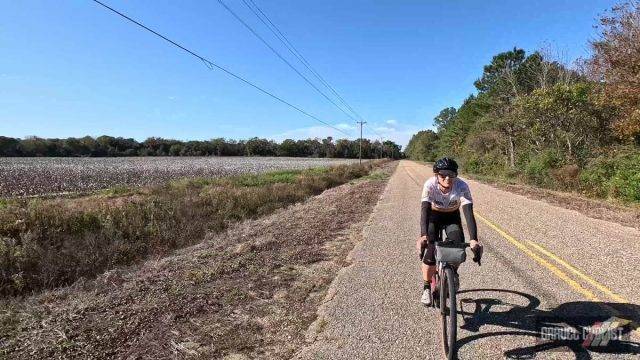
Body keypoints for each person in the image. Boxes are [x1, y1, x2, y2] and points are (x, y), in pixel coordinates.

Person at [416, 157, 482, 305]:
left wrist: (473, 239)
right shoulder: (430, 185)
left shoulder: (462, 186)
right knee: (431, 250)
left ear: (455, 175)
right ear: (436, 175)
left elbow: (468, 212)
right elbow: (424, 210)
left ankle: (453, 273)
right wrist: (423, 235)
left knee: (457, 246)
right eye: (443, 174)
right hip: (433, 216)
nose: (447, 178)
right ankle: (426, 287)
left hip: (452, 217)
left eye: (451, 174)